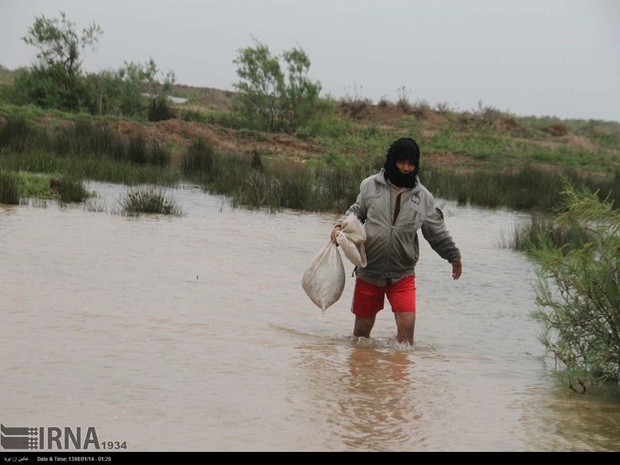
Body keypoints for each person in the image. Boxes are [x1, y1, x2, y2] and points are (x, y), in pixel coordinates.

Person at [330, 137, 462, 346]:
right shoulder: (370, 186)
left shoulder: (423, 197)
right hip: (368, 270)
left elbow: (436, 231)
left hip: (403, 275)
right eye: (402, 162)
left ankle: (399, 378)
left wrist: (453, 255)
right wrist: (339, 226)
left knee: (406, 342)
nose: (406, 168)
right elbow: (356, 212)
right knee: (361, 338)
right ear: (392, 160)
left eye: (411, 164)